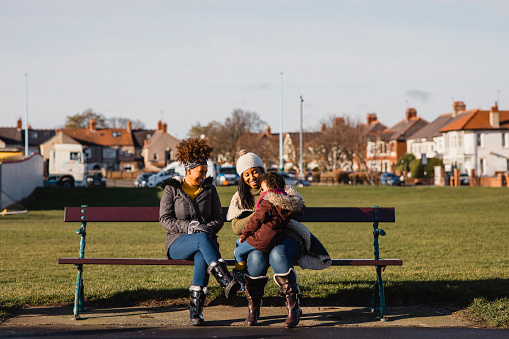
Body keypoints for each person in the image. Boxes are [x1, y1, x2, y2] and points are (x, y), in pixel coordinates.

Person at [227, 150, 331, 328]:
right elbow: (237, 228)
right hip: (260, 241)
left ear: (262, 170)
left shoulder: (277, 186)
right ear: (241, 177)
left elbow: (298, 208)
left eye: (255, 171)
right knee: (256, 258)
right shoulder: (239, 198)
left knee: (277, 254)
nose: (252, 177)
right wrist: (261, 213)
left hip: (287, 237)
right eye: (246, 174)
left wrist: (274, 200)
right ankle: (253, 307)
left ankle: (293, 307)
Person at [159, 137, 240, 326]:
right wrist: (189, 228)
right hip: (177, 242)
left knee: (202, 258)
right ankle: (225, 279)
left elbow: (219, 218)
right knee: (201, 239)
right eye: (200, 171)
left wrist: (205, 228)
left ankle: (195, 313)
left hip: (205, 245)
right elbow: (165, 219)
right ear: (188, 171)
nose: (204, 175)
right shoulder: (172, 189)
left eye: (205, 171)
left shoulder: (209, 190)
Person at [233, 172, 303, 272]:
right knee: (241, 247)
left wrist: (244, 235)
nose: (261, 192)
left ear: (270, 190)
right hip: (275, 240)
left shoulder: (267, 203)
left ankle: (240, 276)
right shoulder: (285, 203)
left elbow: (255, 221)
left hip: (261, 240)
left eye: (263, 189)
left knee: (237, 252)